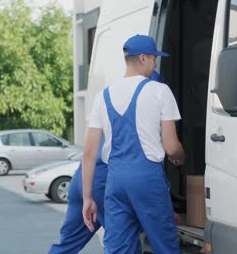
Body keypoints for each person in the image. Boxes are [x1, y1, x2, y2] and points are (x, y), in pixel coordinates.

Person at [82, 34, 185, 254]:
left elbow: (89, 153)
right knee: (165, 247)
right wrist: (180, 155)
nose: (156, 62)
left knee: (119, 249)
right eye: (154, 58)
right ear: (143, 58)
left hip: (115, 181)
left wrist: (87, 197)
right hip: (147, 180)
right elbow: (171, 147)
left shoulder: (103, 96)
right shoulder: (159, 91)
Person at [48, 71, 165, 254]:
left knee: (67, 245)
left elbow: (90, 152)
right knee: (124, 243)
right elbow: (147, 166)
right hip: (103, 184)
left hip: (82, 180)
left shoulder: (115, 112)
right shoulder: (146, 121)